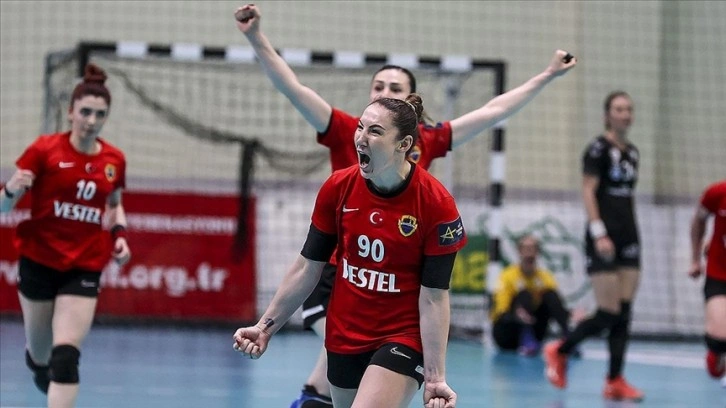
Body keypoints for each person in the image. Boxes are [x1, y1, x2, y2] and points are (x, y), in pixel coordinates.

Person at [233, 4, 577, 406]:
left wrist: (547, 75)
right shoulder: (346, 137)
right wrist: (256, 37)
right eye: (377, 87)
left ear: (407, 131)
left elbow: (493, 111)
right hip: (339, 282)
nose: (384, 95)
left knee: (350, 388)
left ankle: (315, 394)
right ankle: (316, 392)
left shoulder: (430, 162)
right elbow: (293, 88)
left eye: (394, 89)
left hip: (402, 307)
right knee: (338, 374)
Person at [233, 94, 466, 408]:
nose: (361, 138)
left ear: (403, 144)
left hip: (402, 335)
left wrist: (436, 377)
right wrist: (265, 327)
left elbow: (434, 296)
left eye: (375, 131)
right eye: (360, 127)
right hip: (344, 334)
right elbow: (307, 267)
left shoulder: (436, 204)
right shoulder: (338, 187)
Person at [0, 63, 130, 408]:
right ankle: (36, 363)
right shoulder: (44, 151)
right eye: (85, 112)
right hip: (39, 262)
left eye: (100, 114)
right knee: (42, 357)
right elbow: (2, 208)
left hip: (83, 266)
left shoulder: (113, 160)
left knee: (66, 357)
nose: (91, 120)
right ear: (71, 112)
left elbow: (114, 205)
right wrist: (11, 189)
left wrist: (119, 234)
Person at [543, 91, 644, 402]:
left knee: (624, 312)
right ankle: (560, 349)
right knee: (608, 311)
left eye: (628, 109)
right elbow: (588, 191)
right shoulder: (598, 149)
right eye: (619, 109)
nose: (625, 114)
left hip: (629, 236)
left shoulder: (633, 152)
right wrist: (599, 231)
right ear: (607, 115)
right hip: (603, 236)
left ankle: (615, 380)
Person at [490, 235, 576, 357]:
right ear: (519, 251)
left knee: (550, 294)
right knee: (524, 294)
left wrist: (570, 314)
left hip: (535, 331)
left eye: (532, 249)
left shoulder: (545, 277)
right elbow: (500, 312)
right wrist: (516, 315)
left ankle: (569, 338)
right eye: (526, 249)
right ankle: (525, 337)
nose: (529, 253)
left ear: (537, 252)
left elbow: (555, 306)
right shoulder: (507, 276)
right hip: (507, 333)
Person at [688, 179, 726, 380]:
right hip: (720, 274)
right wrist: (695, 259)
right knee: (719, 340)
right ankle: (717, 354)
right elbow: (698, 221)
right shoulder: (718, 193)